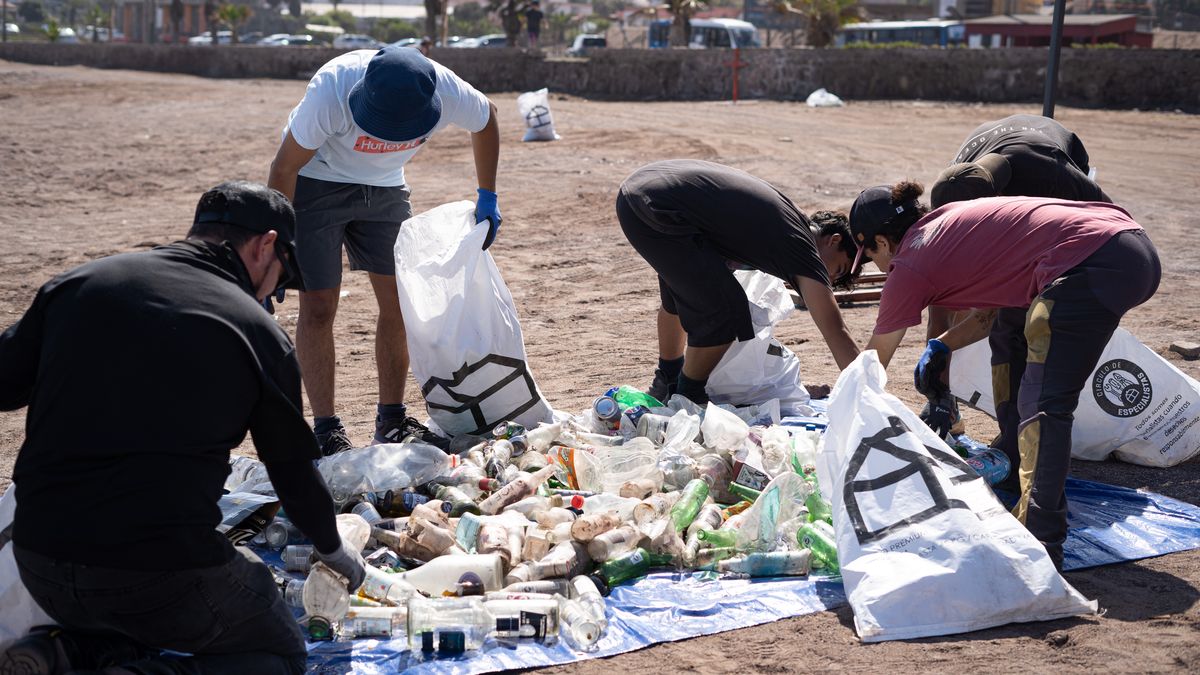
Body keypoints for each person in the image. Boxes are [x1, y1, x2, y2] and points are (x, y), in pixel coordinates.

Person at [0, 182, 365, 674]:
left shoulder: (79, 285)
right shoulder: (256, 332)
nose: (271, 296)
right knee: (276, 650)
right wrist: (333, 551)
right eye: (278, 281)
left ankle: (63, 652)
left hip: (39, 559)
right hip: (157, 572)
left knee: (135, 611)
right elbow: (294, 477)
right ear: (264, 246)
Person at [852, 180, 1160, 568]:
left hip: (1094, 263)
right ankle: (1016, 465)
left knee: (1045, 402)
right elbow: (989, 314)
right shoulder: (944, 227)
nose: (877, 267)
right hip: (1126, 246)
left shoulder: (910, 262)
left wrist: (845, 425)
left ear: (881, 240)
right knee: (1011, 330)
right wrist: (942, 345)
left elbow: (872, 363)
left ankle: (1040, 542)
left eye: (870, 257)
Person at [268, 45, 500, 455]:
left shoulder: (446, 89)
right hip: (315, 181)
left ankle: (391, 420)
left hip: (387, 187)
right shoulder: (330, 92)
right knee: (319, 305)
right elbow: (284, 167)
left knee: (400, 302)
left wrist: (488, 194)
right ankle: (326, 430)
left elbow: (487, 120)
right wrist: (277, 243)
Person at [923, 114, 1114, 448]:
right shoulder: (953, 187)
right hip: (997, 167)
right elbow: (943, 298)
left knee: (1020, 321)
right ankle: (1013, 430)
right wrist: (939, 387)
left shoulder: (1051, 178)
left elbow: (1109, 223)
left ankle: (1023, 436)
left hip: (1059, 192)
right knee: (1005, 322)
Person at [616, 159, 861, 405]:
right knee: (726, 313)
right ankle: (688, 395)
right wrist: (869, 394)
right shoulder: (800, 246)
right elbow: (836, 331)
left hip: (642, 194)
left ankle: (667, 381)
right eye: (837, 270)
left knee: (684, 297)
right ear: (834, 240)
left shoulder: (787, 224)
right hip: (657, 208)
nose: (828, 279)